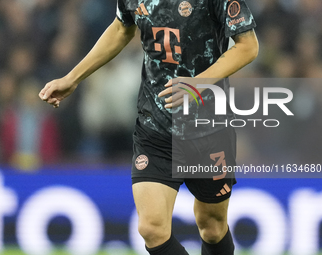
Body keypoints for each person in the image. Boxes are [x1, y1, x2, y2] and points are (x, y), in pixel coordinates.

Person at [39, 0, 259, 254]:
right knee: (152, 229)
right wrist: (72, 78)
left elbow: (248, 46)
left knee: (211, 225)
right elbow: (122, 28)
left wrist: (197, 84)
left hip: (207, 129)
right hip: (154, 126)